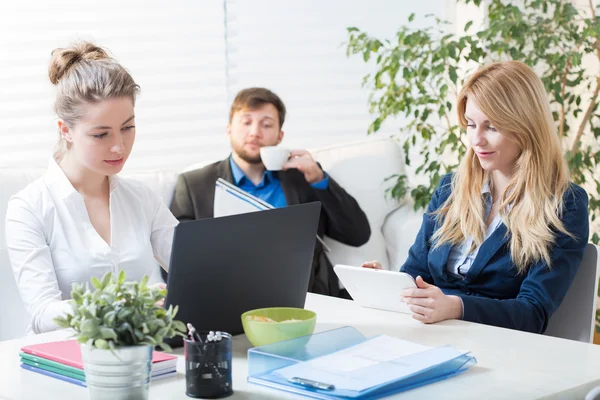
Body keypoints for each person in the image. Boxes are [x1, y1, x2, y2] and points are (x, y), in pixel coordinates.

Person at [362, 61, 589, 334]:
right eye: (471, 125)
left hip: (501, 347)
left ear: (525, 128)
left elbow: (532, 313)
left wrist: (457, 306)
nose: (476, 140)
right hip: (430, 336)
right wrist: (387, 285)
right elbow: (416, 273)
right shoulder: (451, 189)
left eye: (491, 127)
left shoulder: (564, 204)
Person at [5, 42, 178, 334]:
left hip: (140, 353)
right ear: (66, 130)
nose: (119, 146)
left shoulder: (142, 199)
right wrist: (129, 302)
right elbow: (42, 314)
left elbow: (196, 268)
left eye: (128, 127)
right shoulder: (29, 208)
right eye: (100, 134)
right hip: (65, 360)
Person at [168, 87, 371, 297]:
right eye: (246, 122)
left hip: (306, 295)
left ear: (280, 136)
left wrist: (318, 179)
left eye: (266, 124)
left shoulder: (302, 178)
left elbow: (358, 234)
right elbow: (174, 257)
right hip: (229, 293)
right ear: (229, 129)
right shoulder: (195, 184)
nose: (255, 132)